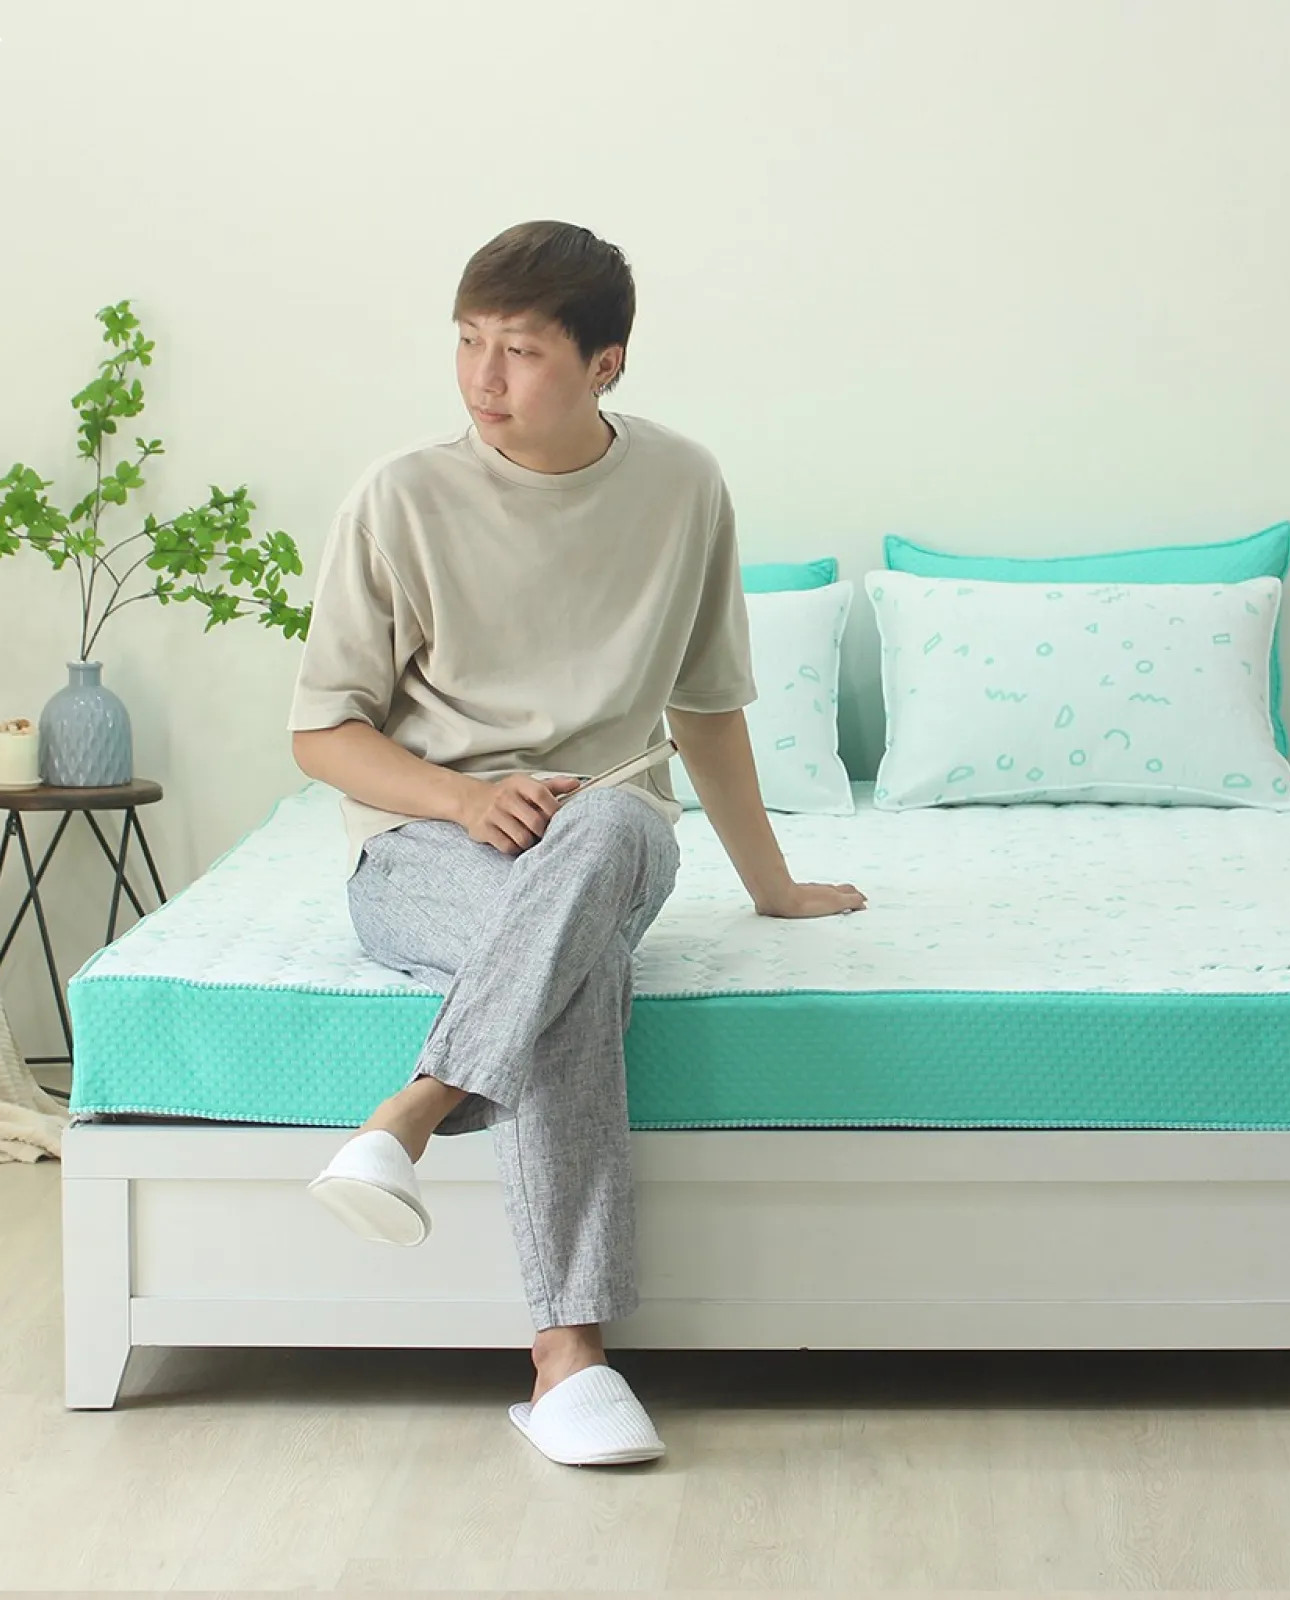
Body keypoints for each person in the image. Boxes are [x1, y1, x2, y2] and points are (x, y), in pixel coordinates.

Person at [287, 220, 867, 1467]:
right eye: (467, 344)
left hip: (611, 831)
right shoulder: (399, 498)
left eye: (519, 351)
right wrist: (459, 801)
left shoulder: (682, 486)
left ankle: (413, 1110)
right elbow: (321, 734)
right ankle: (569, 1359)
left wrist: (770, 886)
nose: (482, 379)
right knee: (574, 969)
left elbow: (704, 708)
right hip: (420, 853)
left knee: (602, 824)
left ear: (606, 364)